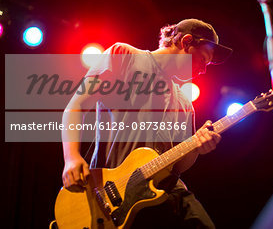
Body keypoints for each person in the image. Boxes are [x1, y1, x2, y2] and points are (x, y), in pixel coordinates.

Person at [61, 18, 233, 228]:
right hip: (113, 194)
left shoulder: (185, 102)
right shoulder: (124, 55)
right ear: (186, 42)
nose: (203, 69)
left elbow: (177, 164)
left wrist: (198, 147)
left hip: (162, 194)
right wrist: (71, 157)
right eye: (203, 60)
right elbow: (77, 105)